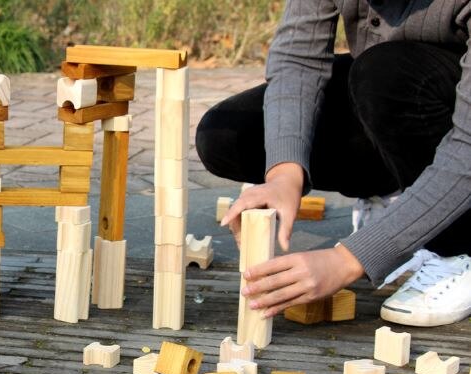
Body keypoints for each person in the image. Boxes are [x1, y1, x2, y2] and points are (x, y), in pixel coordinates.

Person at [195, 0, 471, 327]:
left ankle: (458, 249)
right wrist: (284, 174)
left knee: (384, 74)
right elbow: (298, 59)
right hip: (391, 88)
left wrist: (348, 260)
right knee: (229, 136)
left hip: (442, 107)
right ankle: (398, 195)